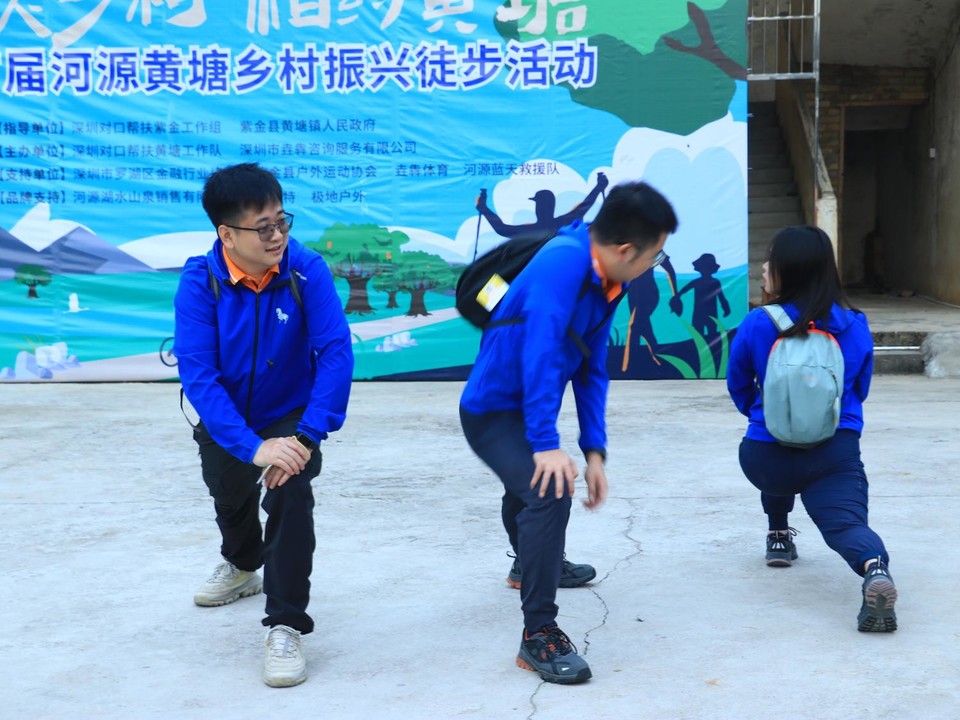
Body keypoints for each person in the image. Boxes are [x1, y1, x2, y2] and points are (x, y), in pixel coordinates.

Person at [459, 181, 679, 683]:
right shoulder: (563, 262)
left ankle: (531, 563)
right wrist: (544, 444)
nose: (654, 265)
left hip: (527, 409)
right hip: (492, 412)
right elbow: (539, 348)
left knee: (531, 485)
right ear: (627, 250)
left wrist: (595, 451)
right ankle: (538, 633)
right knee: (549, 490)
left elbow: (592, 369)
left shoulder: (610, 282)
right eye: (655, 256)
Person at [174, 162, 354, 687]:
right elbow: (200, 376)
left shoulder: (305, 269)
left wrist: (305, 436)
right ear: (226, 234)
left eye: (281, 221)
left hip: (290, 413)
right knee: (230, 497)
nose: (277, 236)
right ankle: (241, 564)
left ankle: (285, 623)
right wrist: (252, 448)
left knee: (290, 493)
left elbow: (336, 353)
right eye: (262, 227)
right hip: (227, 417)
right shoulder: (200, 282)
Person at [726, 225, 898, 633]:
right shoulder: (854, 323)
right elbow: (860, 388)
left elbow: (738, 383)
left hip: (765, 458)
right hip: (833, 452)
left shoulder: (757, 322)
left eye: (771, 259)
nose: (763, 267)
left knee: (781, 460)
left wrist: (764, 417)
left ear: (789, 269)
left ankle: (778, 534)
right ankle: (875, 569)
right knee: (847, 525)